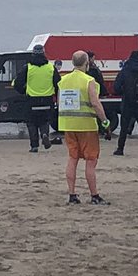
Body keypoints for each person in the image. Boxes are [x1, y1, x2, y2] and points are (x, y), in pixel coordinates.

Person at [58, 52, 112, 205]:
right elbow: (95, 103)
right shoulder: (89, 80)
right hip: (87, 125)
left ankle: (72, 194)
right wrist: (105, 122)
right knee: (90, 160)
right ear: (87, 63)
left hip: (68, 125)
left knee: (72, 158)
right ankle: (94, 195)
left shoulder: (63, 80)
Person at [14, 46, 60, 153]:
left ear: (33, 54)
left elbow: (17, 84)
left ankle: (34, 146)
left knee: (31, 123)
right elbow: (58, 83)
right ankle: (44, 134)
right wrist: (55, 93)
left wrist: (23, 91)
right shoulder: (50, 68)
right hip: (47, 100)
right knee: (45, 121)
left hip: (31, 100)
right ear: (44, 54)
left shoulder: (28, 68)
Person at [113, 50, 138, 157]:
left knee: (124, 127)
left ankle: (120, 149)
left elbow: (116, 88)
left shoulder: (125, 71)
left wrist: (124, 92)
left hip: (127, 103)